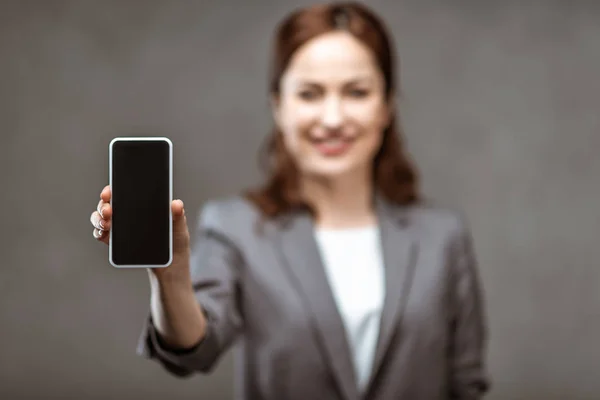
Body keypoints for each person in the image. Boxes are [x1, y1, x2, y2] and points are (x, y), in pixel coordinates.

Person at [90, 2, 490, 399]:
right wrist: (172, 278)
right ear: (278, 105)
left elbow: (466, 384)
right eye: (310, 94)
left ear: (386, 106)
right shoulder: (236, 228)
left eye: (357, 91)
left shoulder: (443, 237)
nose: (332, 118)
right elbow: (194, 350)